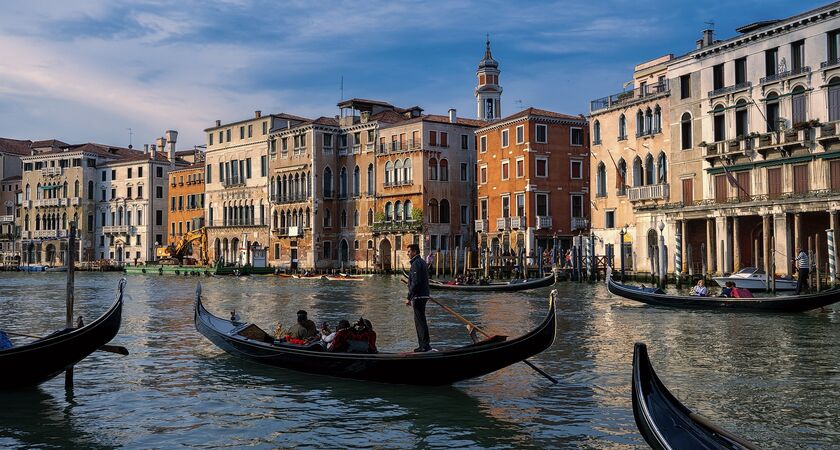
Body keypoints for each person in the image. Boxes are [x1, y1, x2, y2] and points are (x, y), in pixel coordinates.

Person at [406, 243, 431, 352]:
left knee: (419, 321)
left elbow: (415, 283)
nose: (407, 253)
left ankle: (423, 346)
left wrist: (409, 297)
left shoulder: (416, 264)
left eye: (409, 251)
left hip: (418, 296)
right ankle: (425, 345)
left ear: (415, 252)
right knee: (422, 320)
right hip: (424, 294)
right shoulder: (423, 262)